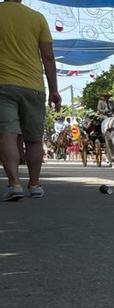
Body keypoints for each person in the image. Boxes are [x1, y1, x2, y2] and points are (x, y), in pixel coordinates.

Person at [0, 0, 61, 201]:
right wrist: (54, 90)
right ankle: (34, 184)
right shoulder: (37, 18)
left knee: (7, 135)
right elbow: (48, 57)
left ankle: (14, 184)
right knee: (34, 138)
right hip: (34, 87)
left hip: (3, 85)